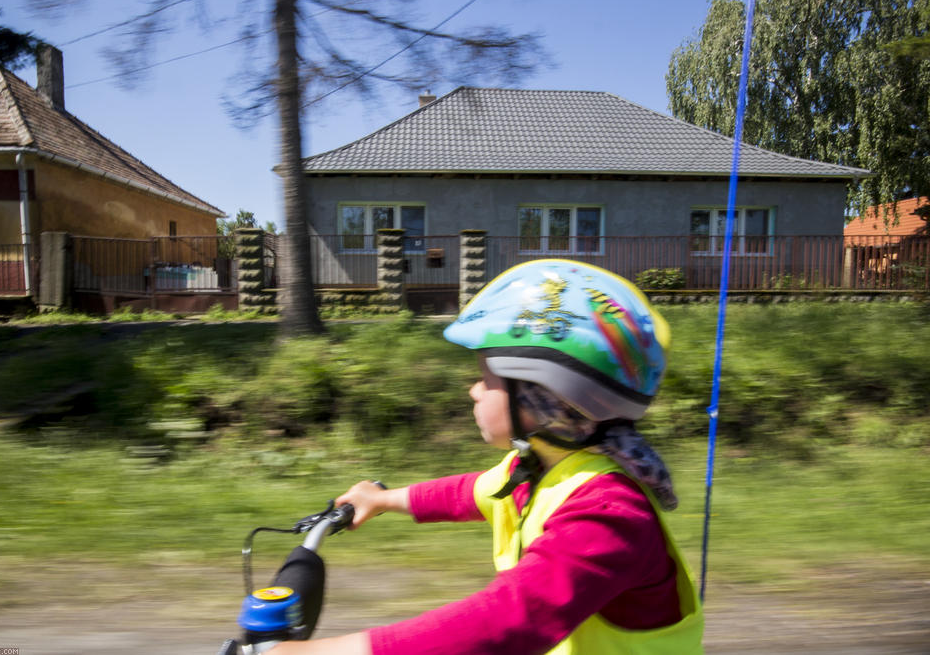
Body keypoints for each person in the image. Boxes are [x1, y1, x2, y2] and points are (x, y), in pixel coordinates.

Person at [271, 259, 704, 655]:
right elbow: (470, 492)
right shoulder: (538, 467)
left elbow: (509, 620)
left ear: (545, 394)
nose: (474, 390)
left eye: (485, 377)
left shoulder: (609, 517)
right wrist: (384, 499)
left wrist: (322, 651)